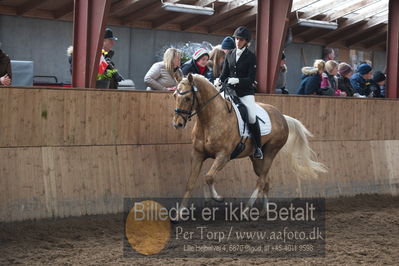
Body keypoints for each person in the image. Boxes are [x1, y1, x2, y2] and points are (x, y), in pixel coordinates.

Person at [216, 26, 262, 159]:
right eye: (236, 39)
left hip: (245, 92)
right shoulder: (229, 54)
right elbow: (224, 74)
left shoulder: (251, 57)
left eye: (241, 40)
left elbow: (251, 79)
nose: (237, 42)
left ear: (246, 42)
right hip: (229, 91)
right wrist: (219, 81)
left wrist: (237, 80)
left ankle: (258, 147)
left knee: (252, 116)